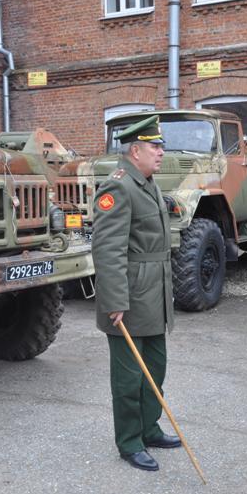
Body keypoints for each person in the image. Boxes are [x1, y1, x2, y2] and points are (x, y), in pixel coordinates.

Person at [91, 115, 180, 471]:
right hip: (128, 298)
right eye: (154, 146)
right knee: (129, 378)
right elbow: (107, 250)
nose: (161, 152)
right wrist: (114, 301)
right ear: (135, 150)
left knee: (155, 369)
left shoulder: (147, 182)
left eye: (160, 146)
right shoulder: (118, 188)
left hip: (153, 293)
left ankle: (149, 428)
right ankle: (130, 441)